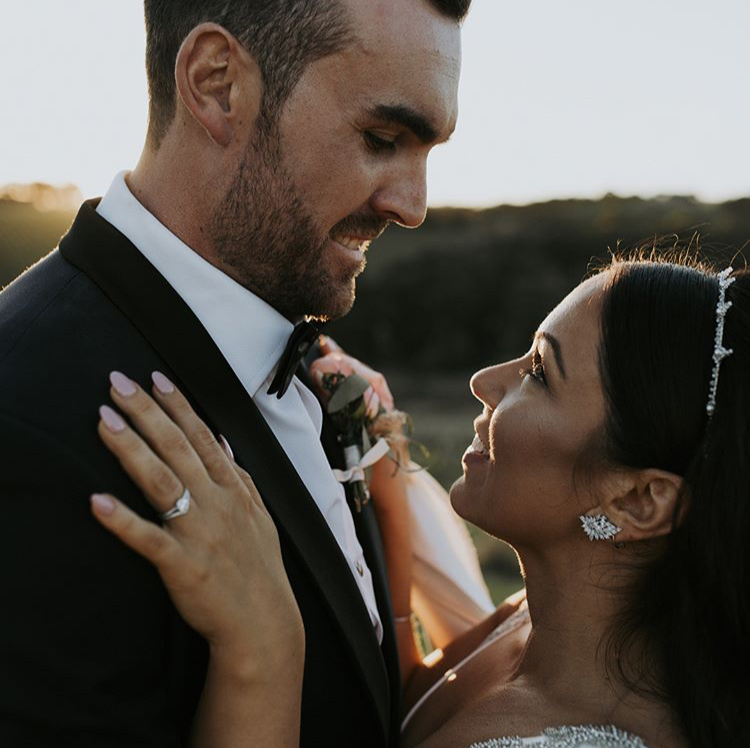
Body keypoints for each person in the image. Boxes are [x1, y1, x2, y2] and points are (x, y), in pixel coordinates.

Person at [0, 1, 469, 744]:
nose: (412, 205)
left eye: (426, 151)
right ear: (216, 84)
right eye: (383, 139)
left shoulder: (325, 371)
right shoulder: (24, 417)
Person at [91, 257, 749, 748]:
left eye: (538, 374)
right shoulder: (535, 621)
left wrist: (263, 646)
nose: (483, 382)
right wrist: (386, 487)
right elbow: (414, 705)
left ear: (639, 499)